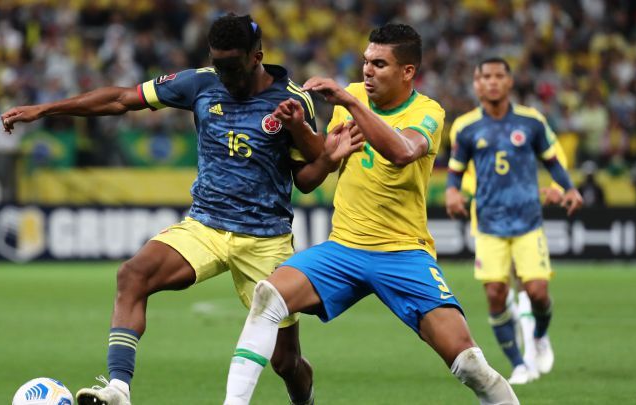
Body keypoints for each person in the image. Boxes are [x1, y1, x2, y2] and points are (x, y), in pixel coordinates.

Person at [1, 14, 363, 405]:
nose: (223, 74)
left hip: (265, 238)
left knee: (285, 362)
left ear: (257, 56)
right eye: (217, 63)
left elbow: (306, 180)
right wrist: (45, 109)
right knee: (133, 275)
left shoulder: (293, 100)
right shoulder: (200, 82)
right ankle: (119, 387)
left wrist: (318, 151)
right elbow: (122, 99)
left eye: (232, 66)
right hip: (204, 226)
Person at [223, 24, 519, 405]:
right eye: (366, 61)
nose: (367, 70)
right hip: (343, 249)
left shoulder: (428, 111)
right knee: (268, 297)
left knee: (470, 364)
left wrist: (349, 102)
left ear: (407, 71)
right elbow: (321, 163)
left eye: (379, 64)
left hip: (403, 254)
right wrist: (307, 134)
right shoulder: (354, 98)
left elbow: (402, 152)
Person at [446, 57, 584, 385]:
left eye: (498, 76)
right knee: (495, 293)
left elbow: (552, 160)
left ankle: (539, 335)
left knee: (537, 292)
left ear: (509, 82)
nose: (492, 82)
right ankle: (518, 363)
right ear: (476, 84)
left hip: (527, 222)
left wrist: (568, 188)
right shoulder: (465, 127)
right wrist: (452, 192)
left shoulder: (531, 122)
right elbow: (455, 170)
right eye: (485, 77)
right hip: (490, 223)